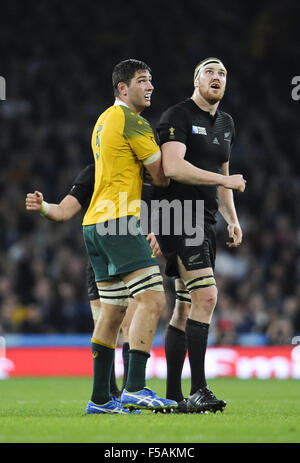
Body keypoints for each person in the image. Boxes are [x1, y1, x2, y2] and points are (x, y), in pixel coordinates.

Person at [81, 58, 177, 414]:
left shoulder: (103, 120)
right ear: (123, 88)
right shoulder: (133, 121)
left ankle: (101, 399)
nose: (150, 86)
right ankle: (135, 386)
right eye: (142, 80)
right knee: (153, 300)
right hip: (119, 219)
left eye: (151, 80)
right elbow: (162, 175)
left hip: (94, 223)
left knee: (113, 311)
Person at [156, 57, 246, 413]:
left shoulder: (226, 123)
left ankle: (175, 395)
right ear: (196, 80)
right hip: (176, 214)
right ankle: (199, 390)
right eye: (209, 71)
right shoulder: (177, 116)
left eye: (223, 73)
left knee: (184, 307)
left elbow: (221, 171)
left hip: (205, 219)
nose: (217, 77)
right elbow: (173, 167)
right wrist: (226, 181)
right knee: (206, 296)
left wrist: (232, 219)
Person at [25, 163, 161, 398]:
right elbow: (63, 211)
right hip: (103, 258)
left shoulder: (149, 171)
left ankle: (131, 391)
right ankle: (107, 395)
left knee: (129, 325)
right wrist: (44, 207)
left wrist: (160, 233)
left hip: (133, 254)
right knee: (106, 323)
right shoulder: (95, 172)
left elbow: (167, 209)